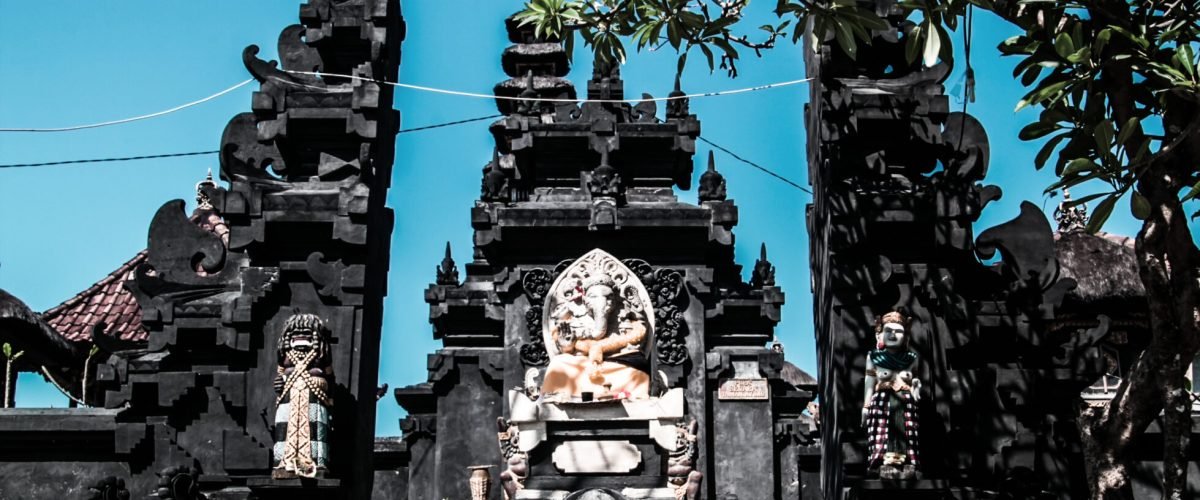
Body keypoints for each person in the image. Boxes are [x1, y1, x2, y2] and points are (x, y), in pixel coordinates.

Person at [862, 311, 921, 479]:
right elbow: (869, 382)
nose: (893, 335)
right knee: (883, 431)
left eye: (899, 331)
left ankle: (907, 461)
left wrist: (916, 386)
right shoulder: (873, 357)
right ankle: (883, 461)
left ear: (906, 336)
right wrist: (866, 407)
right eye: (889, 331)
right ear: (880, 334)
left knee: (907, 431)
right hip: (882, 401)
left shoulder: (911, 358)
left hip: (905, 401)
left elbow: (915, 381)